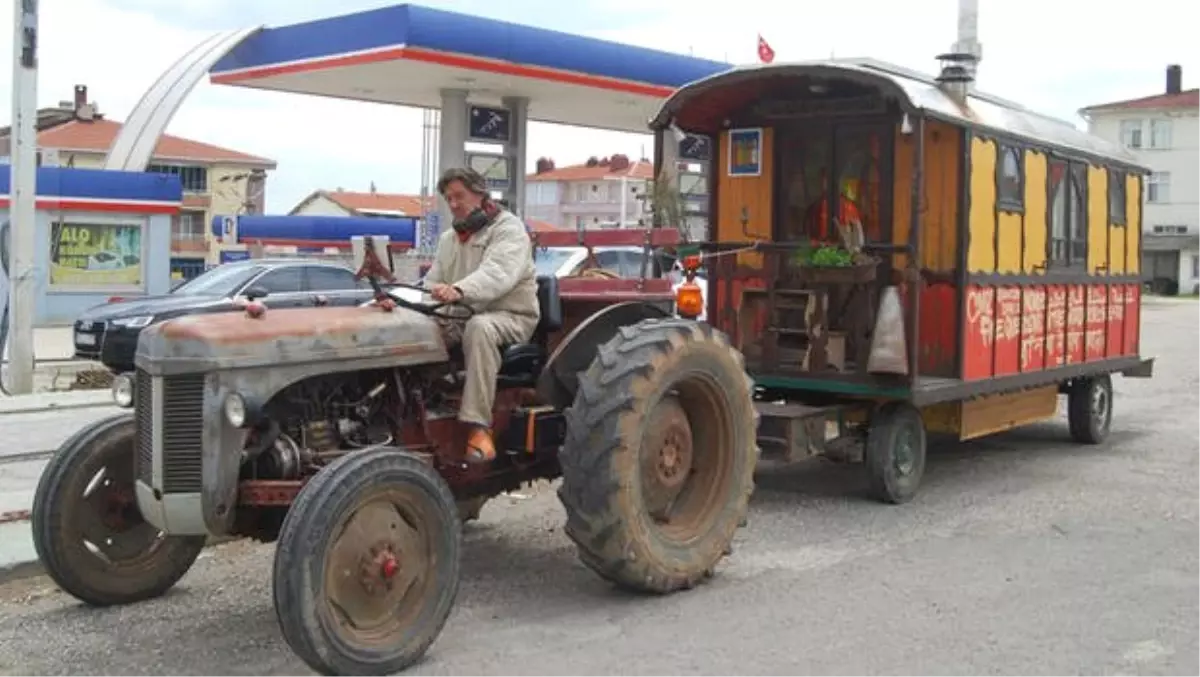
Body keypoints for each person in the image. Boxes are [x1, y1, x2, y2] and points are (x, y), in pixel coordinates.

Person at [424, 168, 540, 464]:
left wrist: (459, 290)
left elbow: (498, 273)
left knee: (480, 328)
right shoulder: (450, 239)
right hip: (461, 314)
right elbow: (431, 281)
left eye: (459, 196)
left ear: (480, 193)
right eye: (448, 198)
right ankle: (422, 406)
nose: (452, 204)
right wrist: (417, 303)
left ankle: (478, 427)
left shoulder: (508, 229)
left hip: (509, 317)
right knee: (421, 328)